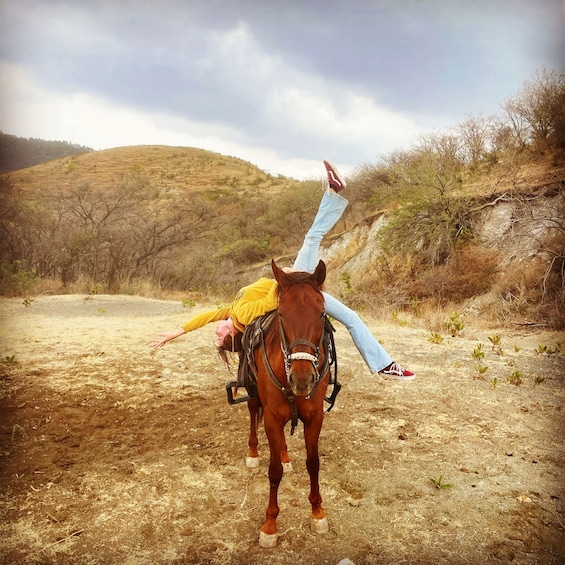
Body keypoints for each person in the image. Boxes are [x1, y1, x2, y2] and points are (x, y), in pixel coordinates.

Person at [152, 160, 415, 381]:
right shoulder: (242, 314)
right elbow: (270, 300)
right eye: (220, 338)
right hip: (294, 289)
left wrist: (178, 331)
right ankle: (333, 191)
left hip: (299, 290)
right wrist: (285, 277)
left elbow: (206, 316)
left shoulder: (231, 309)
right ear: (232, 334)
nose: (216, 331)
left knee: (350, 316)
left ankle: (384, 365)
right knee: (312, 239)